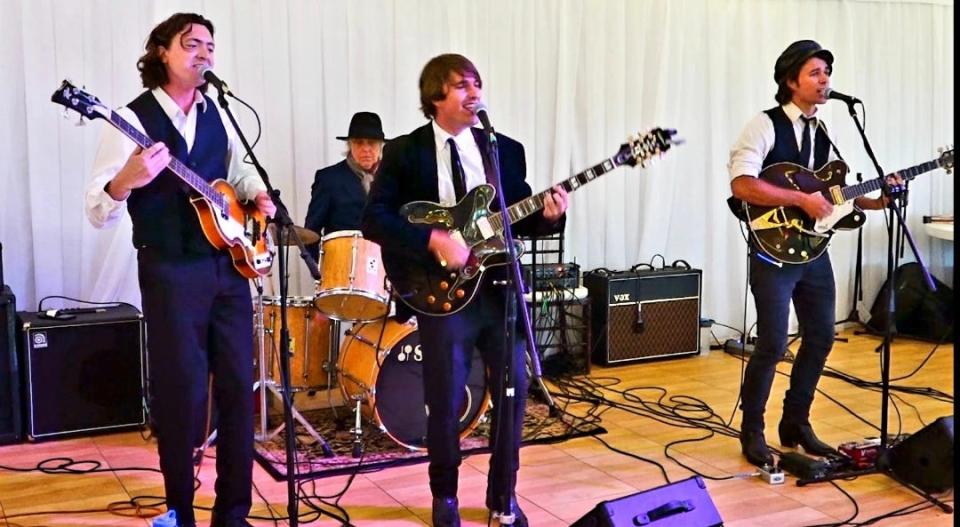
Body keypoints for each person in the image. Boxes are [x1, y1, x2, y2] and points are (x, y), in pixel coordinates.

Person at [361, 53, 568, 526]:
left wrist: (551, 213)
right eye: (461, 86)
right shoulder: (406, 151)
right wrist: (433, 239)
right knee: (447, 395)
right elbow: (374, 220)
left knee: (512, 395)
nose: (474, 93)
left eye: (477, 84)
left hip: (500, 290)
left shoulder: (504, 149)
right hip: (441, 292)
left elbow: (521, 220)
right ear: (435, 95)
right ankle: (445, 495)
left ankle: (503, 497)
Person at [84, 13, 274, 527]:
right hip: (170, 271)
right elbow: (97, 207)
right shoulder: (132, 117)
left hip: (229, 267)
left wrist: (255, 194)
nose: (204, 54)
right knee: (180, 392)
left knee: (239, 387)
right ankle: (179, 511)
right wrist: (126, 178)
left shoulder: (219, 112)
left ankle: (233, 511)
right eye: (191, 44)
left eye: (210, 46)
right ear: (161, 52)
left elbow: (237, 171)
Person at [728, 40, 895, 467]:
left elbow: (834, 198)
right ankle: (752, 430)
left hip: (813, 251)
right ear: (790, 81)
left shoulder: (826, 132)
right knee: (772, 342)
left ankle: (796, 423)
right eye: (815, 73)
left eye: (827, 73)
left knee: (821, 335)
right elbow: (743, 185)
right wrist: (800, 201)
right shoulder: (763, 126)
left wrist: (878, 201)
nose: (825, 81)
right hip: (772, 251)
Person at [303, 111, 386, 260]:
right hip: (342, 270)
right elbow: (310, 235)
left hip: (386, 272)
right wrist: (323, 272)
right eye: (359, 142)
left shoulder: (393, 178)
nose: (366, 149)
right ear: (350, 145)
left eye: (372, 143)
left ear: (381, 146)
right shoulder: (329, 179)